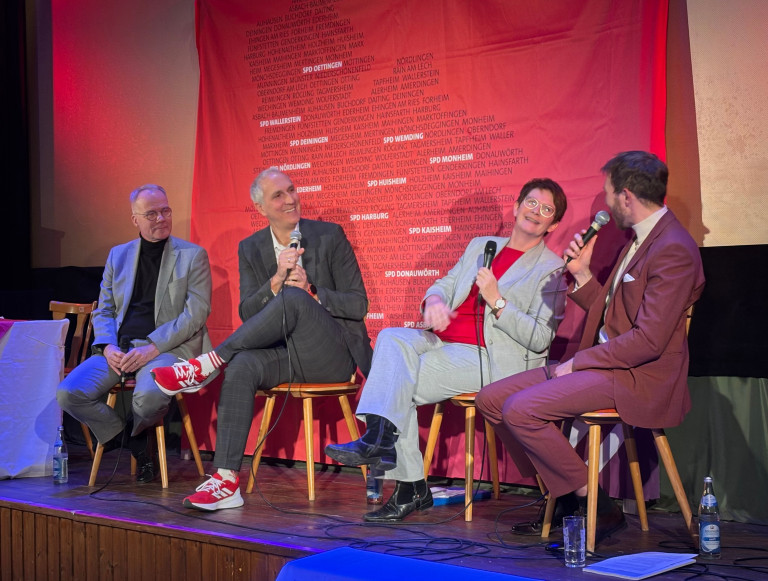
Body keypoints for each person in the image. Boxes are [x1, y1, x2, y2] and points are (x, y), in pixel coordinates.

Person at [475, 151, 706, 545]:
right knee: (492, 399)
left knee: (521, 408)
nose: (606, 202)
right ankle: (568, 492)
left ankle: (591, 502)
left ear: (627, 196)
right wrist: (581, 274)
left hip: (636, 375)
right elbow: (616, 314)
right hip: (605, 363)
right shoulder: (641, 239)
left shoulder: (674, 249)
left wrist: (580, 362)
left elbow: (649, 340)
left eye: (608, 194)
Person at [324, 178, 568, 522]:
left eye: (546, 209)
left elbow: (541, 338)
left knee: (399, 385)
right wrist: (435, 299)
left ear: (553, 224)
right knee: (392, 338)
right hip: (443, 340)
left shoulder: (552, 270)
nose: (536, 212)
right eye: (531, 203)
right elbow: (446, 283)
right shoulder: (481, 245)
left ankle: (405, 482)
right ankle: (381, 445)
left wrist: (497, 300)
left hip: (490, 357)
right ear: (516, 207)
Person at [151, 167, 373, 511]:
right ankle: (225, 479)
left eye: (291, 190)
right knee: (242, 364)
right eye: (278, 195)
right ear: (261, 208)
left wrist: (312, 292)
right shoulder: (251, 248)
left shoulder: (330, 235)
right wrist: (276, 280)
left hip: (332, 353)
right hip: (286, 355)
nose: (290, 199)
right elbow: (248, 313)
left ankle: (204, 365)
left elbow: (359, 304)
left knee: (296, 297)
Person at [57, 184, 212, 483]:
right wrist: (107, 346)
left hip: (166, 348)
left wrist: (152, 348)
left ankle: (131, 439)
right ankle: (137, 444)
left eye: (165, 210)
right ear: (135, 219)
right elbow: (104, 310)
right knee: (68, 393)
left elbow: (195, 315)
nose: (160, 218)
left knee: (149, 399)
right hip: (120, 349)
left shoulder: (193, 256)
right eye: (151, 213)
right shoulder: (118, 255)